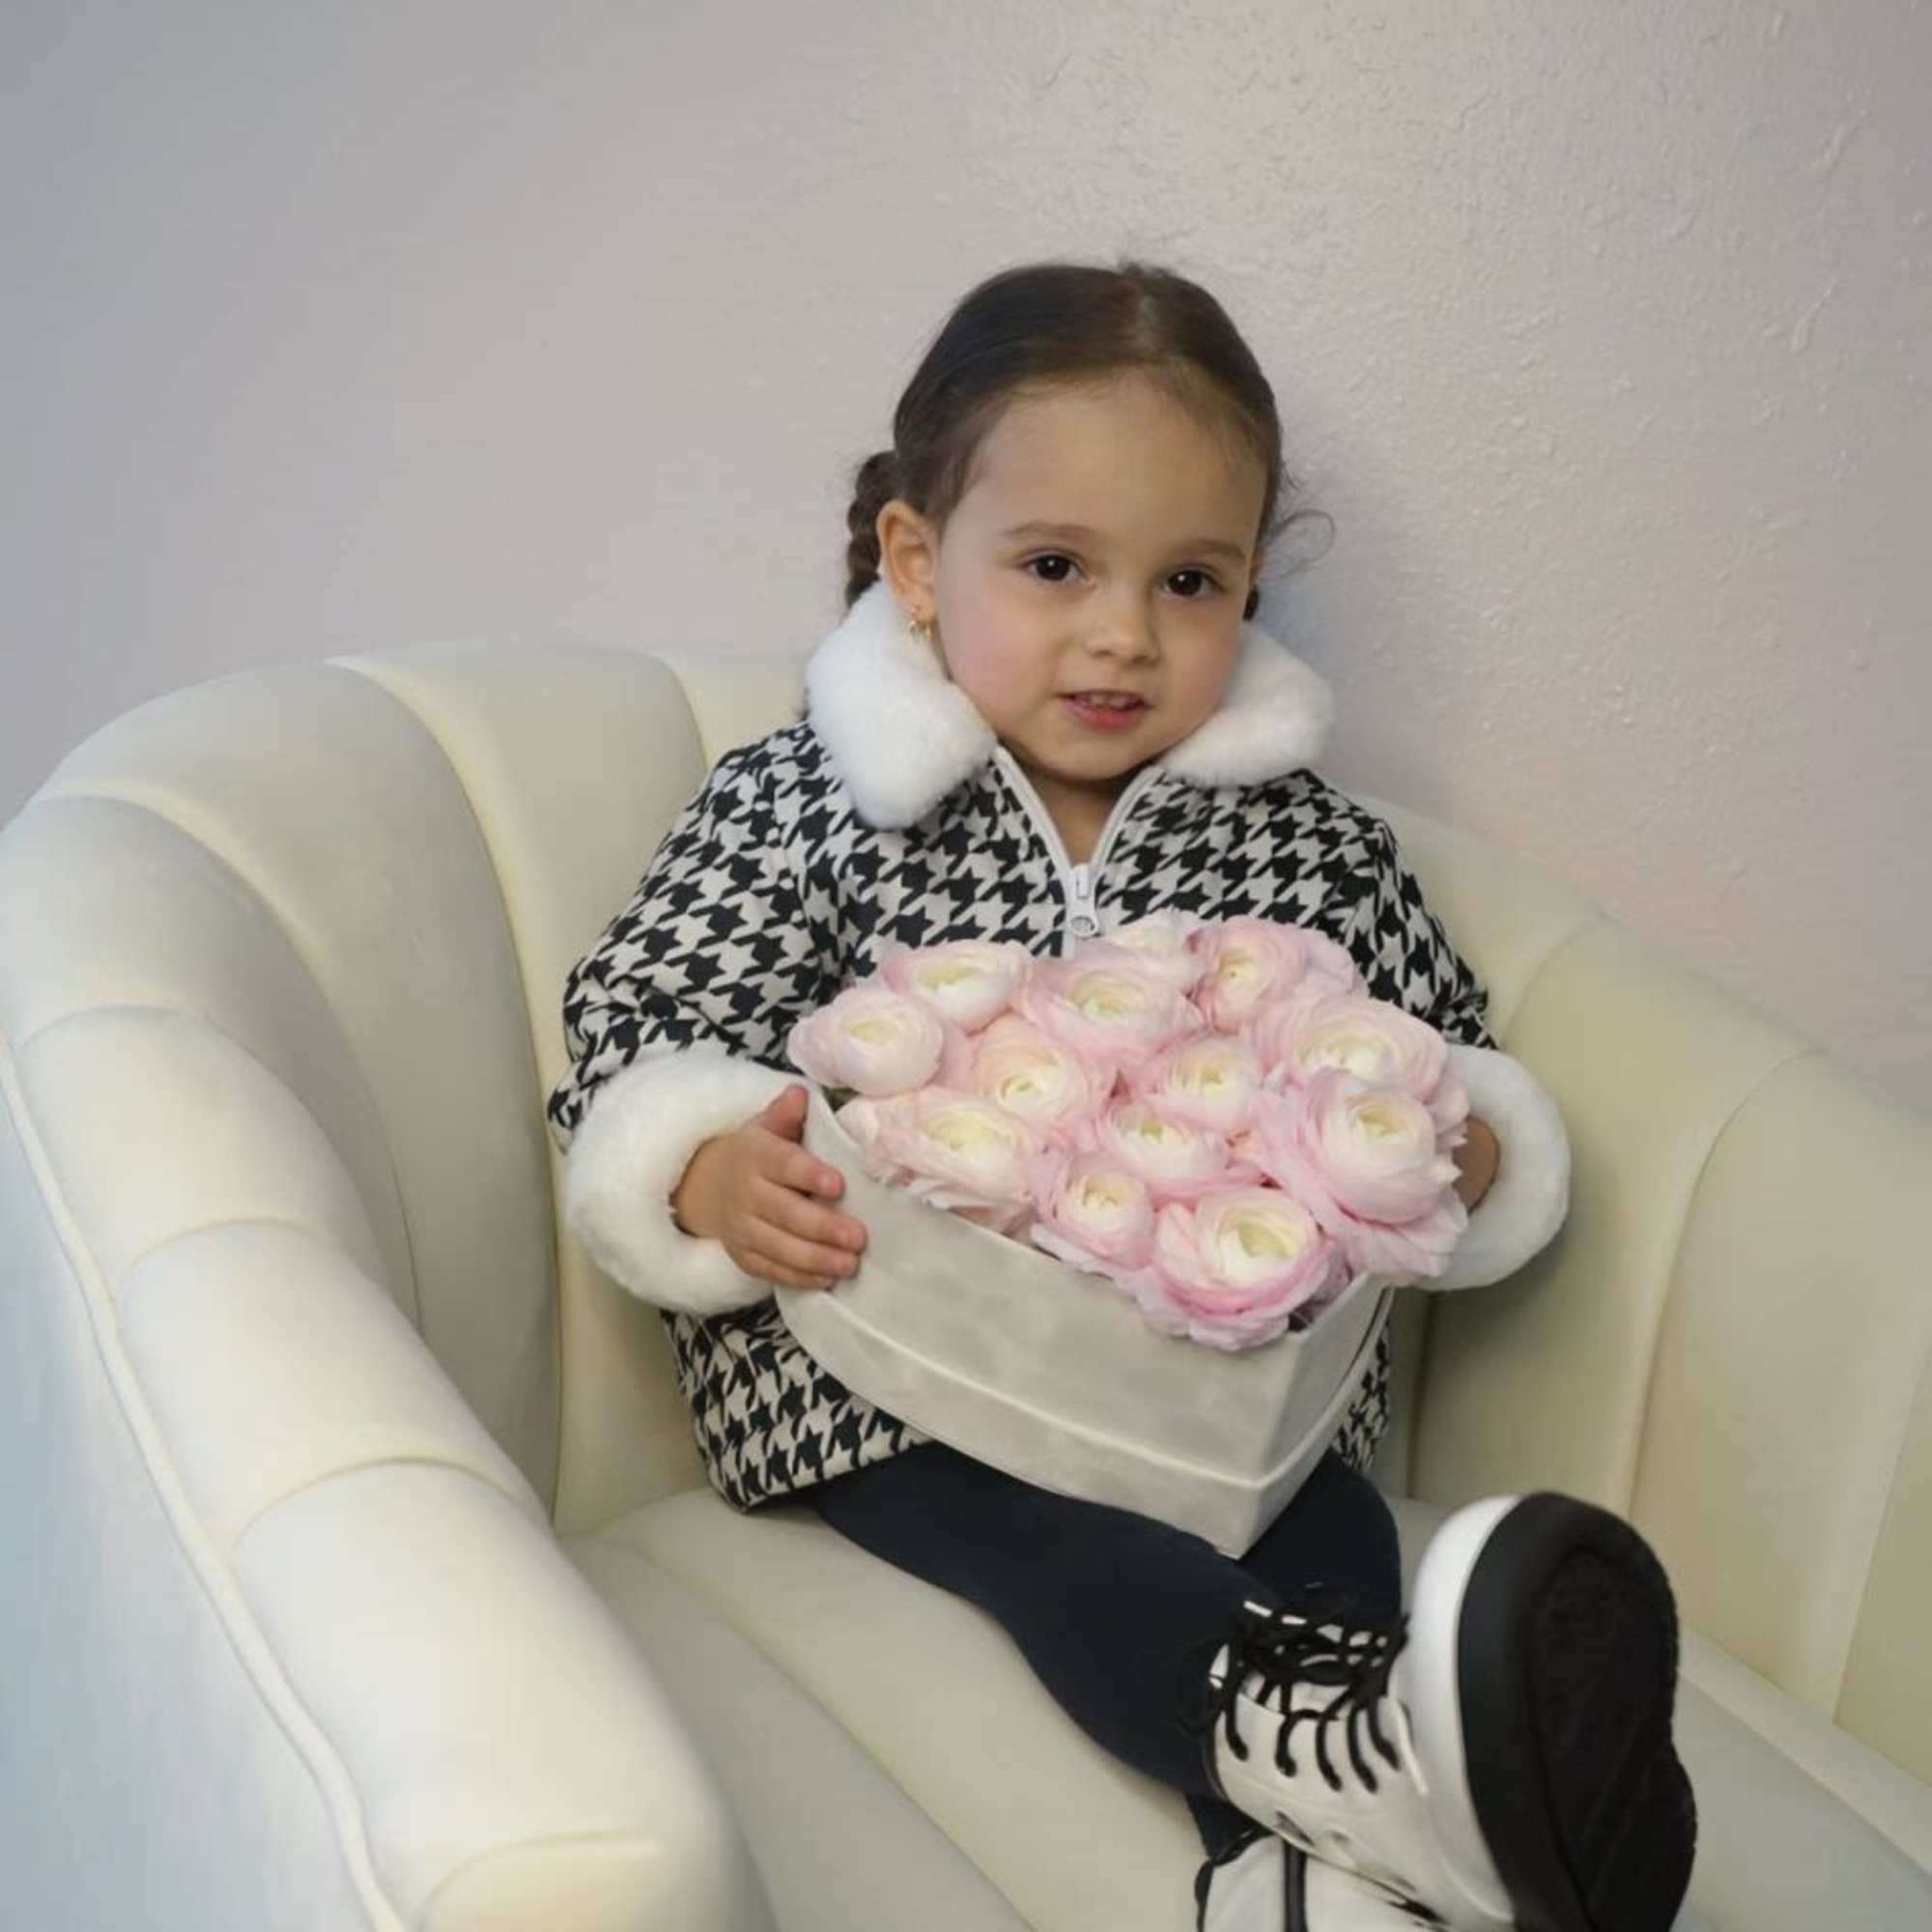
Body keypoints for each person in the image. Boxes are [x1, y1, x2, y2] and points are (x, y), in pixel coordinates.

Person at [545, 259, 1696, 1932]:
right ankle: (1331, 1787)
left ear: (1248, 590)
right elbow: (642, 1012)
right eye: (1055, 567)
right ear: (919, 563)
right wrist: (708, 1168)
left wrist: (1459, 1146)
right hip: (892, 1377)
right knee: (1070, 1551)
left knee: (1328, 1533)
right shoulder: (806, 801)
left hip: (1221, 1387)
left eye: (1190, 582)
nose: (1123, 634)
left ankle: (1320, 1871)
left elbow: (1435, 1054)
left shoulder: (1307, 842)